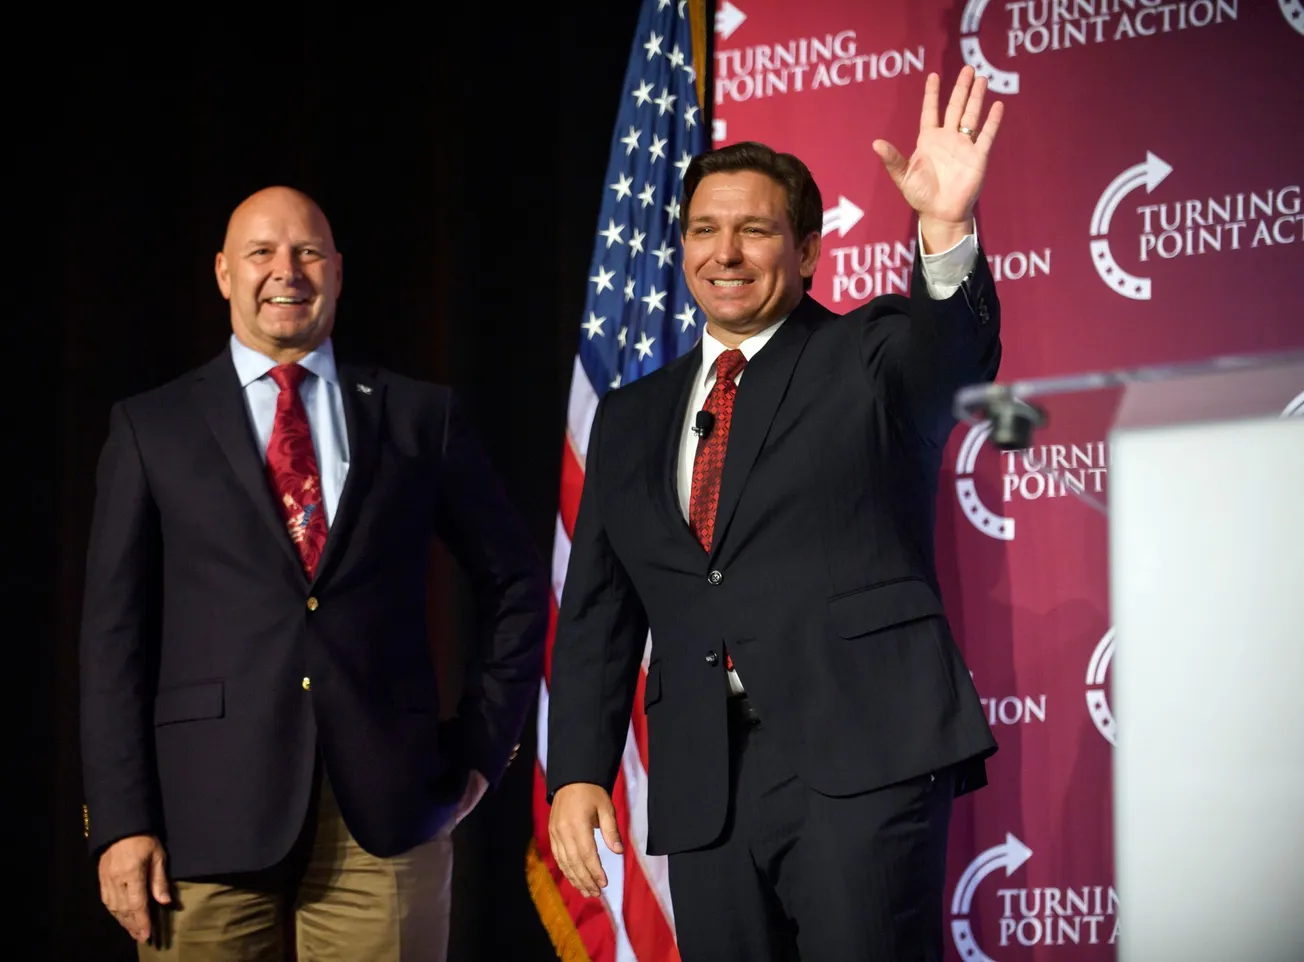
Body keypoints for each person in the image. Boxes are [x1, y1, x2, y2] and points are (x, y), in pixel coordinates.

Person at [546, 66, 1005, 960]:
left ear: (808, 251)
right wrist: (575, 771)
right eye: (705, 231)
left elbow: (954, 358)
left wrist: (945, 228)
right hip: (705, 777)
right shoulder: (632, 414)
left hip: (860, 756)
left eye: (755, 231)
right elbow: (600, 610)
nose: (726, 253)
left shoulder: (868, 358)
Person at [78, 185, 549, 962]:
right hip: (204, 821)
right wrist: (123, 821)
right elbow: (112, 638)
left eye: (306, 252)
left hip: (389, 819)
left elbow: (517, 585)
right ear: (224, 273)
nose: (285, 270)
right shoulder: (149, 428)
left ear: (337, 269)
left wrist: (478, 750)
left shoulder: (417, 415)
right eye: (262, 252)